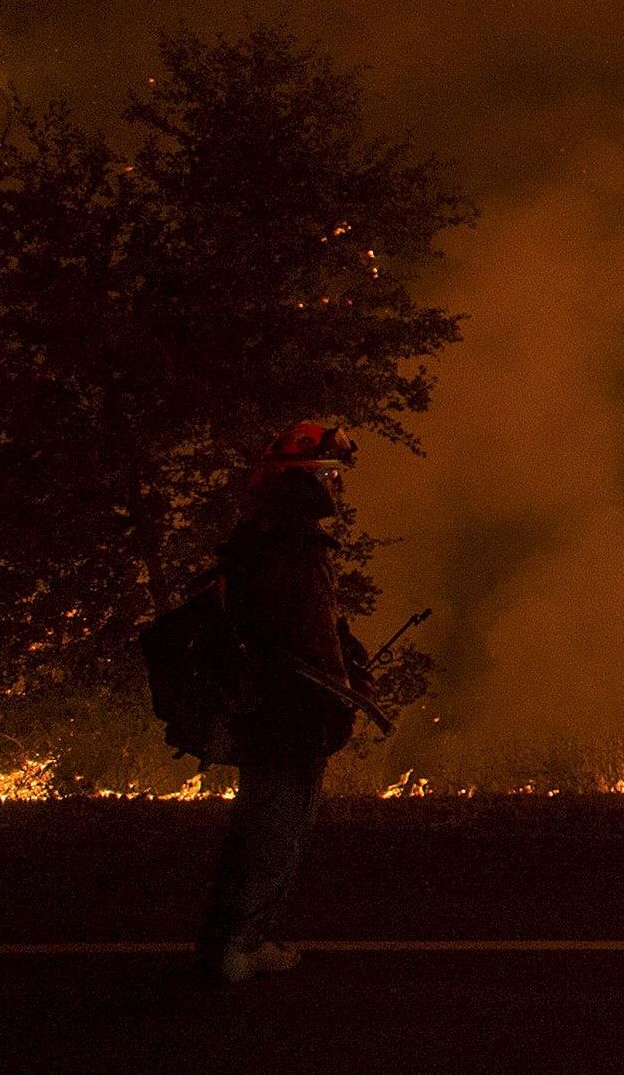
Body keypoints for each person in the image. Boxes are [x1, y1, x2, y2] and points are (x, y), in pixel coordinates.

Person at [196, 422, 373, 986]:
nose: (335, 488)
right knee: (279, 825)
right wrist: (341, 701)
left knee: (258, 821)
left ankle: (229, 937)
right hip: (288, 712)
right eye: (326, 476)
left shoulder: (259, 541)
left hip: (263, 706)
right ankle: (242, 947)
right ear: (300, 482)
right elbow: (310, 642)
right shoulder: (296, 549)